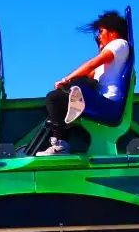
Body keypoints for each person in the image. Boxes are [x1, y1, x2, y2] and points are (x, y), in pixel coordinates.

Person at [36, 10, 131, 157]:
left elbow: (91, 64)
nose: (99, 36)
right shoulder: (110, 56)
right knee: (54, 97)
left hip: (108, 105)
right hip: (99, 102)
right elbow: (90, 74)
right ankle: (60, 143)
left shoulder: (119, 43)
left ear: (112, 32)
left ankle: (78, 98)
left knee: (72, 85)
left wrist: (66, 79)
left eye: (101, 32)